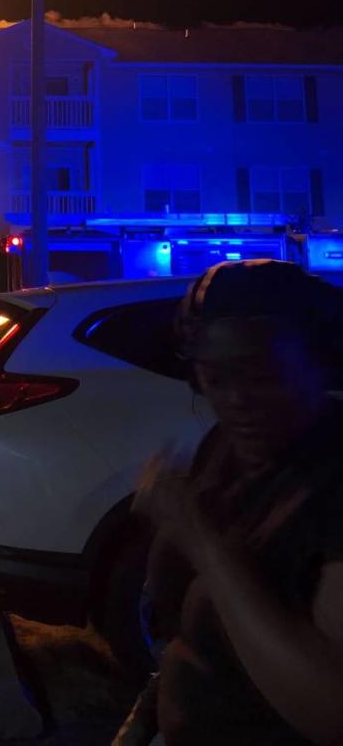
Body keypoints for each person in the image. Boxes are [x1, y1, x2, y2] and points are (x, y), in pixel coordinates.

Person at [121, 258, 343, 746]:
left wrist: (200, 538)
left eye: (261, 373)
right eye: (216, 380)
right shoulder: (225, 446)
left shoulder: (332, 477)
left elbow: (332, 710)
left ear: (318, 358)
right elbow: (170, 598)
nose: (237, 400)